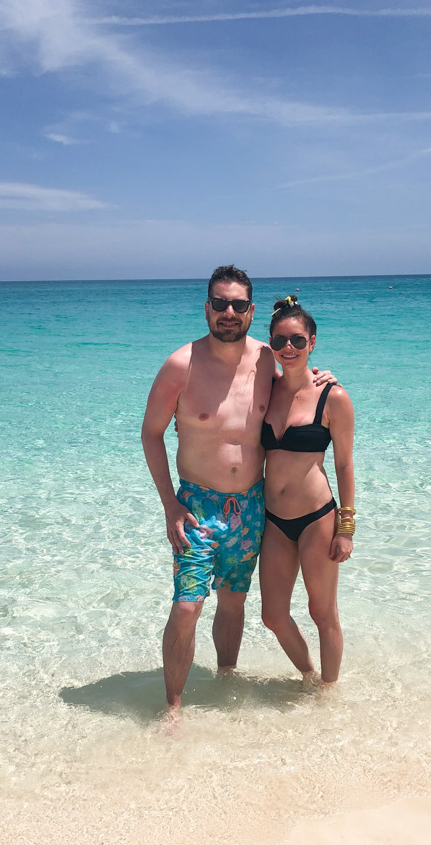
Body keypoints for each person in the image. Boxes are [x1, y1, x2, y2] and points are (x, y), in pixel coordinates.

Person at [141, 266, 332, 711]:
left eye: (239, 305)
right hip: (195, 507)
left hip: (249, 506)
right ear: (207, 308)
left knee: (233, 602)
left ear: (250, 311)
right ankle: (172, 708)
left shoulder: (269, 359)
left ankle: (225, 681)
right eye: (220, 304)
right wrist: (169, 504)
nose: (229, 312)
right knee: (187, 607)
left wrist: (323, 378)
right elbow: (151, 434)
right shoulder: (180, 365)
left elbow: (299, 388)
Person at [259, 296, 355, 686]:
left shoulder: (333, 396)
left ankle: (329, 693)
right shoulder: (264, 391)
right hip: (274, 520)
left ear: (312, 342)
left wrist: (346, 528)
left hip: (318, 517)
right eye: (280, 340)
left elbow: (345, 465)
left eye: (298, 341)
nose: (289, 348)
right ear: (270, 343)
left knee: (323, 613)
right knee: (272, 616)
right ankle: (310, 676)